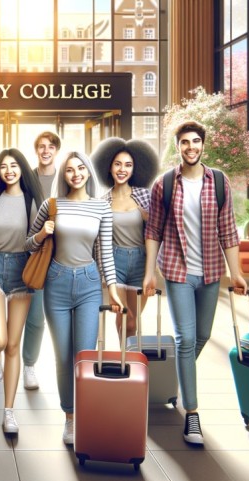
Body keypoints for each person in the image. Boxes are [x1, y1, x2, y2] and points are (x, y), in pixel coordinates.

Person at [143, 120, 247, 445]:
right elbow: (154, 232)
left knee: (201, 335)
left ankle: (173, 381)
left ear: (204, 145)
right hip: (177, 270)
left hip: (212, 270)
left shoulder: (218, 181)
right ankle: (192, 415)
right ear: (178, 147)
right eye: (185, 143)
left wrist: (237, 272)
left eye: (196, 142)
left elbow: (228, 230)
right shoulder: (165, 184)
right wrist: (149, 273)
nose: (191, 147)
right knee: (185, 338)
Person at [25, 150, 122, 446]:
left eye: (81, 168)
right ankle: (70, 418)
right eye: (70, 170)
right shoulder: (51, 205)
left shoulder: (101, 208)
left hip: (90, 284)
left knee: (85, 355)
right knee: (64, 356)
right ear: (64, 175)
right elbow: (28, 244)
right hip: (56, 282)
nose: (76, 174)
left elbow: (105, 253)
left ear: (88, 172)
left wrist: (113, 291)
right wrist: (42, 233)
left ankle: (85, 413)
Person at [0, 148, 44, 434]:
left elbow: (33, 244)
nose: (9, 170)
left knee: (14, 345)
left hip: (21, 270)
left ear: (22, 169)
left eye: (14, 165)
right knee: (1, 340)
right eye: (3, 166)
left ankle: (9, 411)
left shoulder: (31, 202)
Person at [90, 137, 159, 341]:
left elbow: (157, 232)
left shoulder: (145, 196)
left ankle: (130, 361)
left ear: (135, 169)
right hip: (114, 260)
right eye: (117, 164)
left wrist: (149, 218)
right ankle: (124, 362)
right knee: (122, 318)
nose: (122, 169)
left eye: (128, 165)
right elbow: (96, 239)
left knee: (133, 322)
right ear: (109, 167)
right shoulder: (102, 201)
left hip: (141, 261)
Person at [21, 131, 61, 391]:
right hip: (34, 254)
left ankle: (67, 369)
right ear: (36, 151)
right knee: (35, 317)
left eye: (50, 147)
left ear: (57, 150)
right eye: (41, 147)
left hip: (64, 258)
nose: (45, 151)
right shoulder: (28, 180)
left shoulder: (67, 177)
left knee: (59, 320)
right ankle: (29, 365)